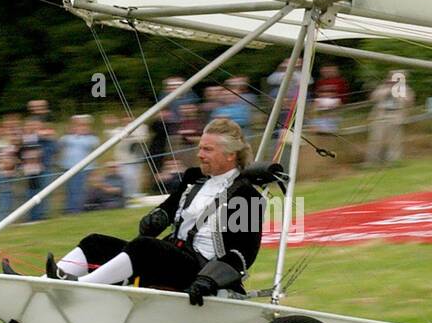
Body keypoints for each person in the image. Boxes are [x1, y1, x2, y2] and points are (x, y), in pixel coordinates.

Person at [46, 119, 268, 304]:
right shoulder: (194, 179)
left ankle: (80, 287)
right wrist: (155, 219)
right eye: (200, 147)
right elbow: (167, 209)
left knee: (145, 247)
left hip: (201, 271)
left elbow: (242, 255)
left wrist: (209, 280)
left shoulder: (247, 197)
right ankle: (43, 283)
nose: (200, 154)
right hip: (171, 255)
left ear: (230, 155)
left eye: (207, 149)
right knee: (95, 242)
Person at [364, 70, 413, 166]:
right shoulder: (382, 87)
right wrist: (388, 89)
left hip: (396, 115)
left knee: (394, 141)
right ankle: (371, 161)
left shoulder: (406, 89)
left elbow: (409, 101)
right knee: (376, 139)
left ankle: (393, 161)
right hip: (381, 115)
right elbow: (373, 98)